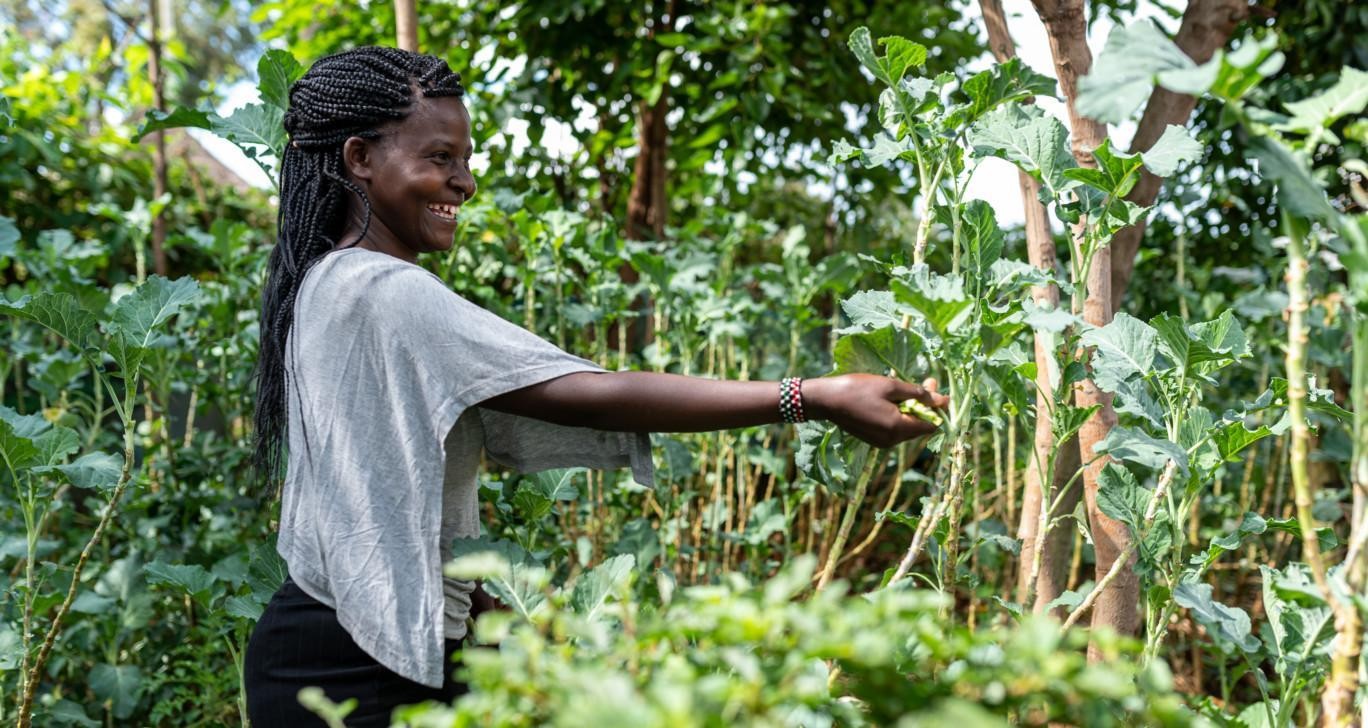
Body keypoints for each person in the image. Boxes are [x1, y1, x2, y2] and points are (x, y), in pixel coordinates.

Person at [241, 46, 946, 728]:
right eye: (440, 158)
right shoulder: (388, 292)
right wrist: (811, 396)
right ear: (359, 158)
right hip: (349, 664)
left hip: (337, 637)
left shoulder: (325, 283)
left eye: (466, 159)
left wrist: (474, 599)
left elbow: (381, 484)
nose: (466, 182)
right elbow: (586, 391)